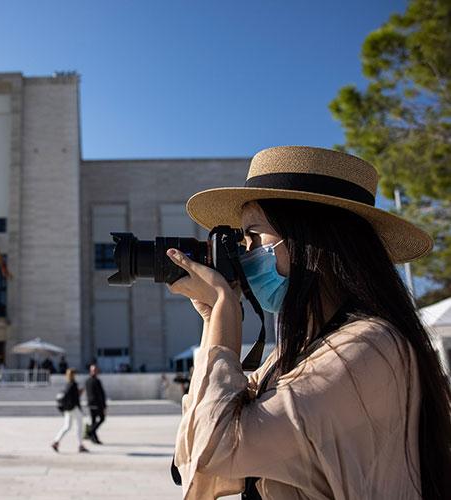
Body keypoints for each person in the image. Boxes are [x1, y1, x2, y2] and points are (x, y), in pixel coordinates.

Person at [168, 146, 451, 499]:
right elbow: (192, 451)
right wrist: (213, 318)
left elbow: (219, 452)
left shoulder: (369, 347)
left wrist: (225, 310)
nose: (244, 255)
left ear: (309, 241)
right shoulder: (296, 353)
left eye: (254, 237)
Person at [51, 368, 88, 453]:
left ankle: (56, 441)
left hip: (67, 409)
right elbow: (75, 397)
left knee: (66, 427)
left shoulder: (67, 384)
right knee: (79, 427)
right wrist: (80, 392)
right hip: (74, 408)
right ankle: (80, 445)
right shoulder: (73, 384)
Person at [85, 363, 107, 444]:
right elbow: (101, 394)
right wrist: (103, 405)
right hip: (96, 404)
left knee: (94, 421)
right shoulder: (95, 381)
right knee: (102, 418)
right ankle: (90, 431)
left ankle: (94, 438)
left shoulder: (88, 381)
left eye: (95, 370)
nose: (95, 371)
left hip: (91, 403)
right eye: (94, 370)